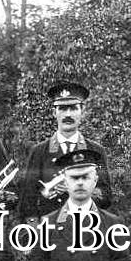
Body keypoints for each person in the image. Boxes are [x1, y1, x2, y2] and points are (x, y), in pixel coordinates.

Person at [19, 81, 112, 219]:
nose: (68, 114)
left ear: (83, 112)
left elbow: (106, 197)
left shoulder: (96, 151)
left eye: (73, 108)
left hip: (87, 228)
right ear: (54, 112)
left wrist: (75, 190)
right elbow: (27, 202)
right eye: (62, 108)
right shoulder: (38, 152)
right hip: (50, 231)